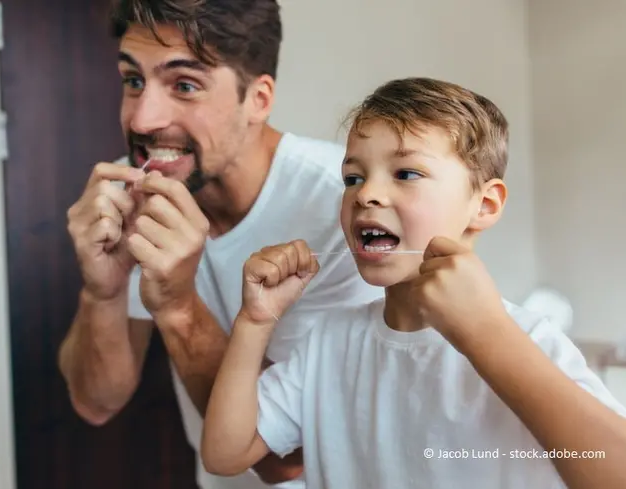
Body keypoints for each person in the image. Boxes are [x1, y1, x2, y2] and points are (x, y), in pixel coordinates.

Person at [200, 77, 626, 489]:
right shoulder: (329, 342)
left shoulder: (529, 338)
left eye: (405, 174)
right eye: (353, 178)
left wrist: (487, 335)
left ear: (485, 204)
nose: (366, 194)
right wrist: (255, 322)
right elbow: (225, 454)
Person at [58, 1, 384, 488]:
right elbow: (96, 402)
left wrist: (178, 306)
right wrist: (101, 291)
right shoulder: (135, 198)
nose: (143, 120)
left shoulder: (349, 210)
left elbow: (287, 460)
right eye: (133, 81)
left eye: (184, 85)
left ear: (258, 98)